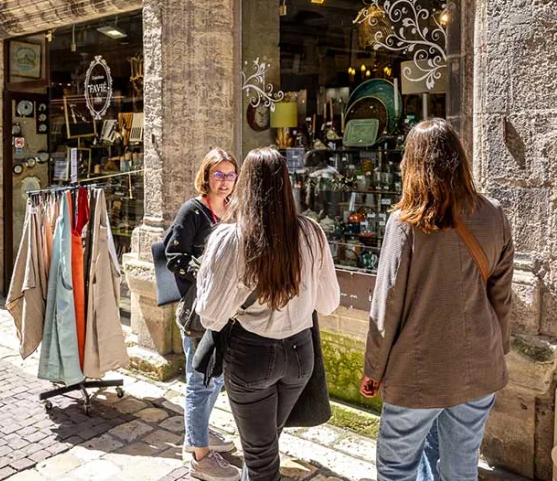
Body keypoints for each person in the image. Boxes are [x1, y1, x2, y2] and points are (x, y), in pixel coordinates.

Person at [360, 118, 514, 481]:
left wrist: (373, 368)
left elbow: (387, 304)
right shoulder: (493, 214)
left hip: (419, 371)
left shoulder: (406, 221)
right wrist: (496, 348)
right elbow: (501, 297)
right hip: (479, 365)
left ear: (412, 164)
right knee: (460, 468)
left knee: (397, 468)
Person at [196, 147, 341, 481]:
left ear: (245, 185)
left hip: (252, 355)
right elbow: (330, 302)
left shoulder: (231, 238)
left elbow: (210, 317)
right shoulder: (312, 233)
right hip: (300, 355)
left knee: (261, 457)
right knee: (266, 442)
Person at [165, 148, 240, 481]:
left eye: (230, 175)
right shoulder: (193, 211)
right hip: (198, 313)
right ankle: (199, 457)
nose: (224, 182)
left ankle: (199, 434)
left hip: (226, 312)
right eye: (218, 175)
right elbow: (173, 256)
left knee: (217, 378)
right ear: (206, 177)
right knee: (199, 383)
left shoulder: (233, 209)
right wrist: (209, 274)